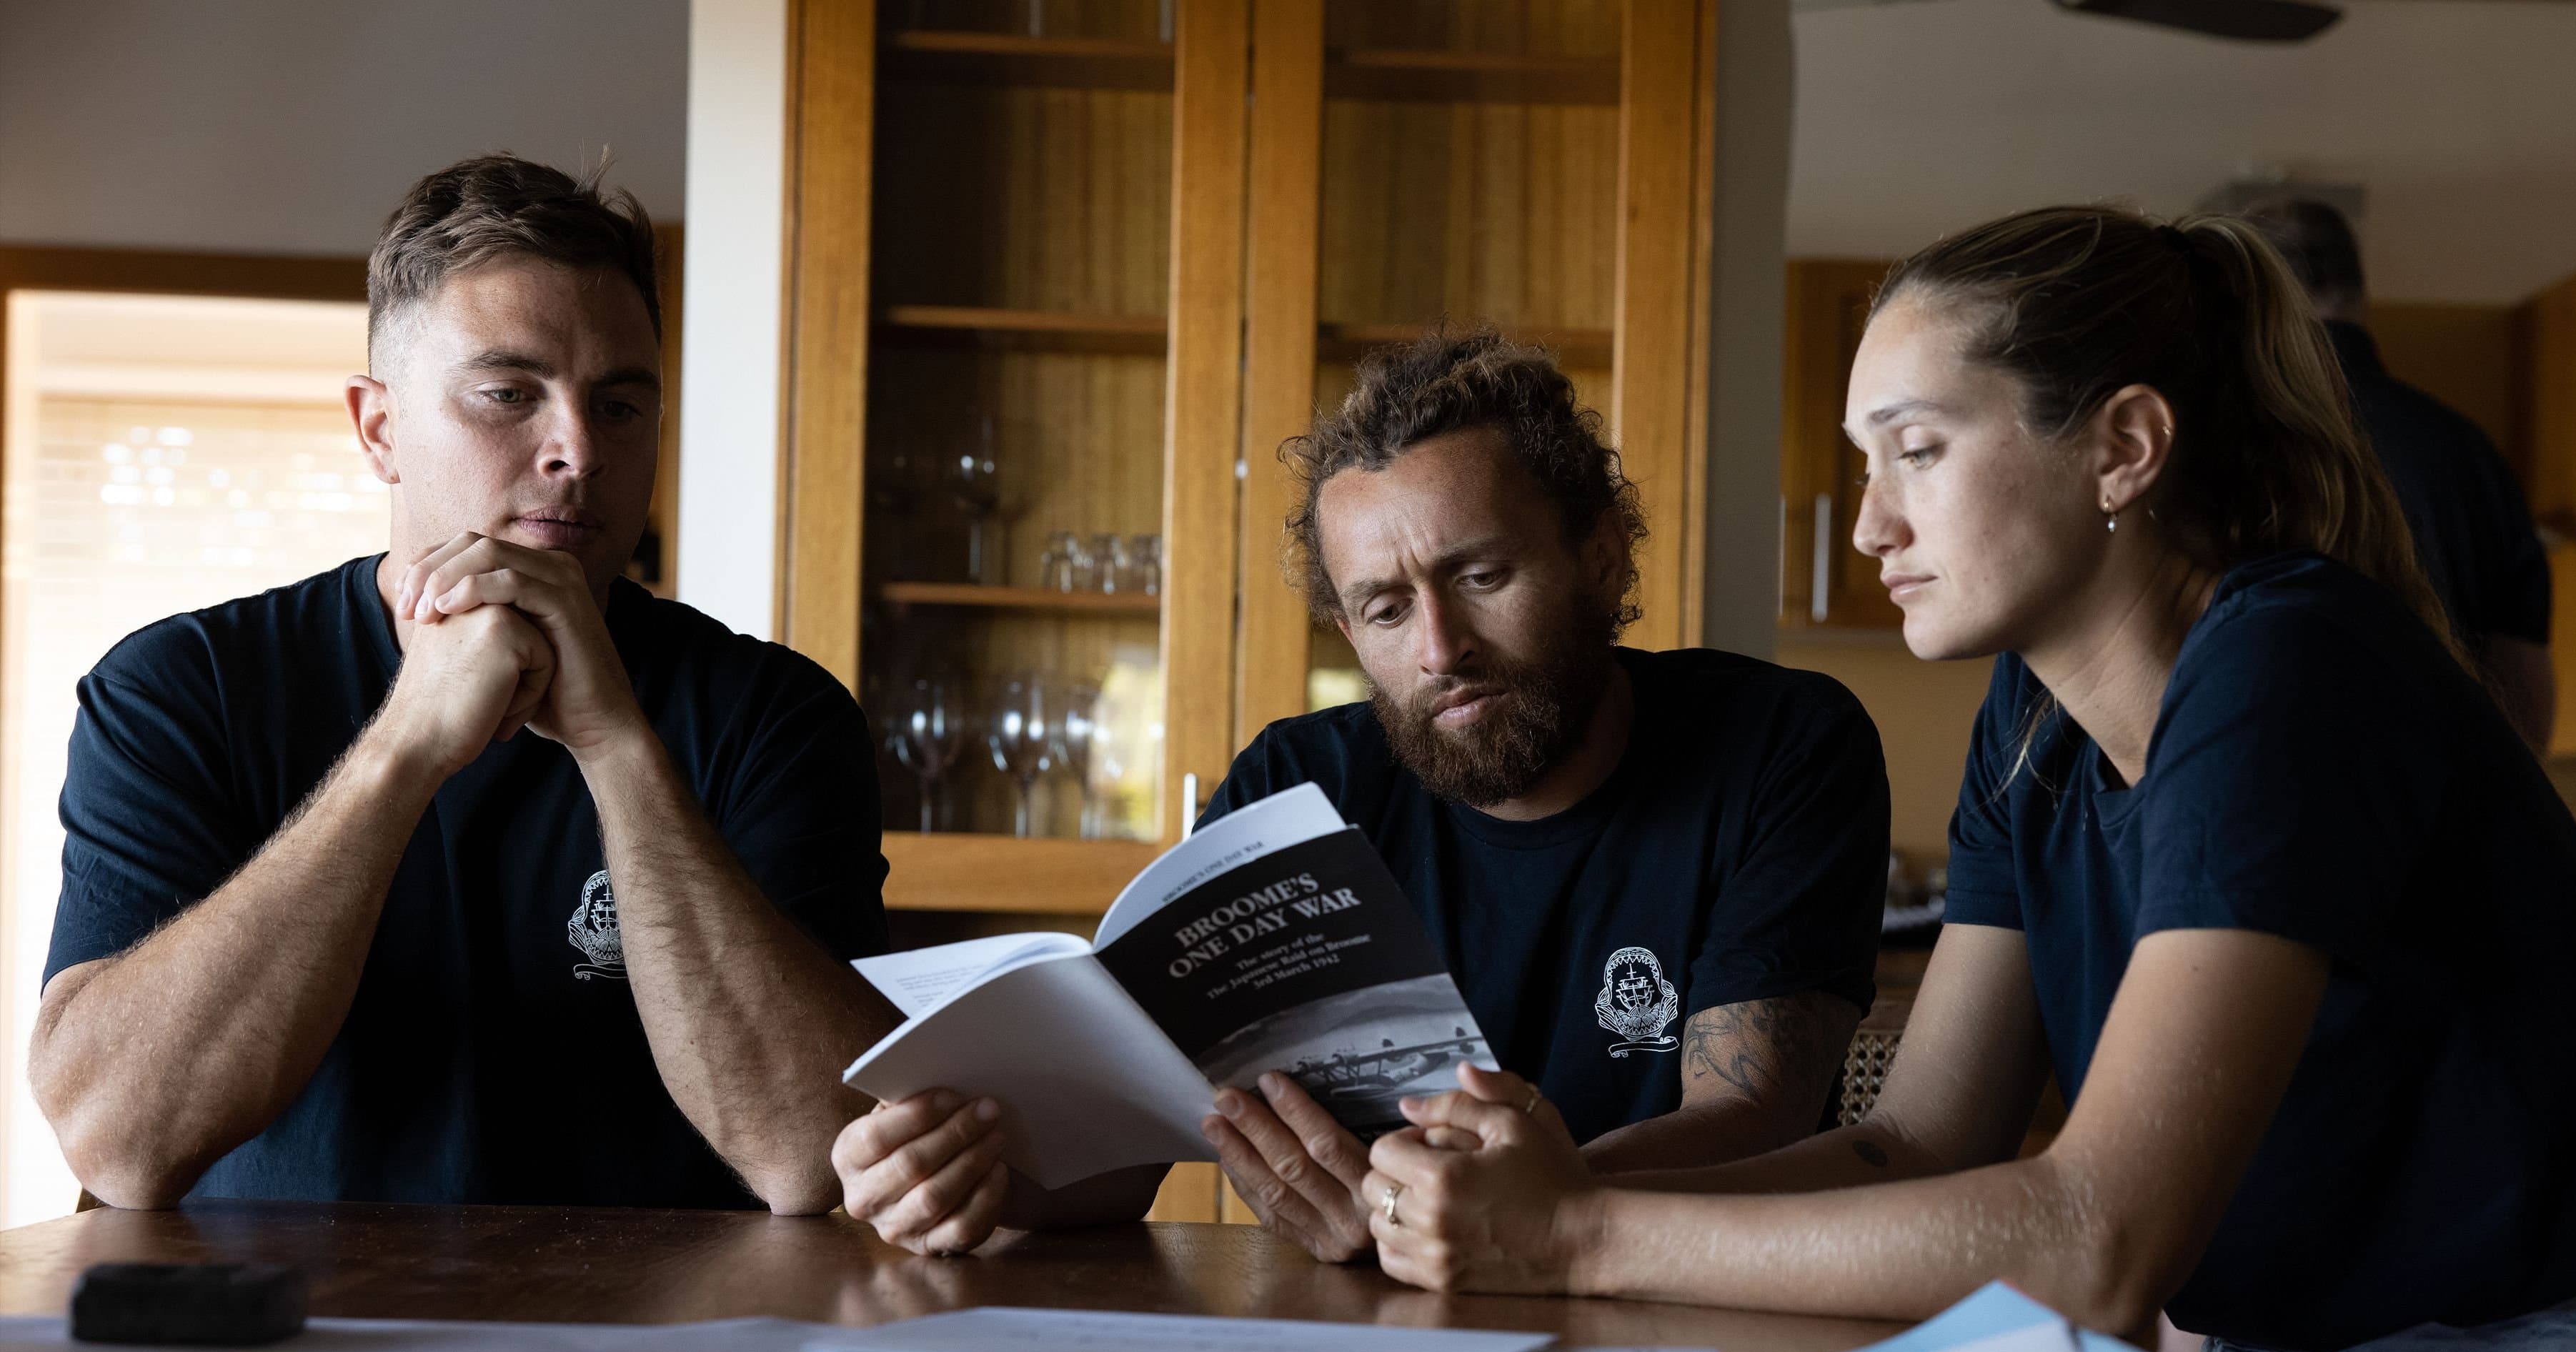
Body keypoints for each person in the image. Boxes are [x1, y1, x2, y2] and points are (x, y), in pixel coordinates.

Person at [1356, 210, 2576, 1352]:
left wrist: (1577, 1235)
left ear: (2124, 447)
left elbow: (2095, 1241)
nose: (1870, 527)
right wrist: (1556, 1200)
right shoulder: (2036, 717)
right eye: (1865, 464)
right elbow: (1916, 1141)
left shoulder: (2289, 663)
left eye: (1917, 452)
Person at [832, 330, 1892, 1261]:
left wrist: (1492, 1214)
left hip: (1676, 1304)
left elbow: (1753, 1115)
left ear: (1603, 558)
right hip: (1356, 1328)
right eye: (1386, 609)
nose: (1440, 648)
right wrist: (971, 1176)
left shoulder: (1781, 744)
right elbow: (1137, 1148)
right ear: (1349, 633)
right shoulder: (1292, 785)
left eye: (1482, 576)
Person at [31, 156, 896, 1214]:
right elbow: (120, 1145)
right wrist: (403, 747)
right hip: (269, 1317)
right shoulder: (181, 689)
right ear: (380, 429)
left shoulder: (777, 715)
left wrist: (617, 747)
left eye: (621, 404)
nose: (578, 449)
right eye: (508, 394)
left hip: (661, 1322)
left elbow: (816, 1155)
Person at [2244, 196, 2555, 750]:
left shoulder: (2235, 442)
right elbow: (2524, 680)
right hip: (2452, 782)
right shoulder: (2469, 453)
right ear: (2361, 294)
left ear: (2256, 300)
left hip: (2273, 772)